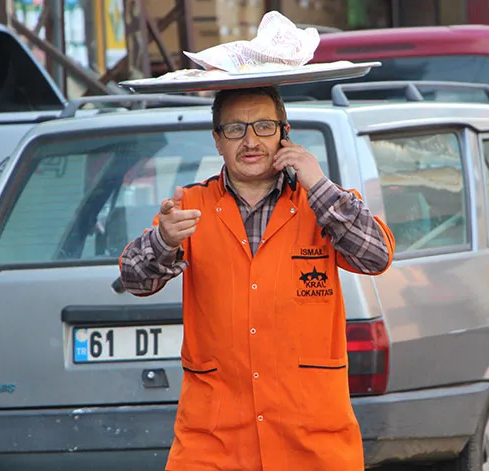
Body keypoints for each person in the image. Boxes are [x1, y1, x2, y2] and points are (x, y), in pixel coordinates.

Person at [119, 85, 395, 471]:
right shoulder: (189, 208)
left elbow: (377, 256)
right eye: (235, 129)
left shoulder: (324, 204)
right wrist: (163, 239)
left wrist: (317, 183)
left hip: (312, 443)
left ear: (285, 133)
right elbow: (134, 279)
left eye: (264, 127)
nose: (250, 141)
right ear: (217, 141)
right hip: (214, 445)